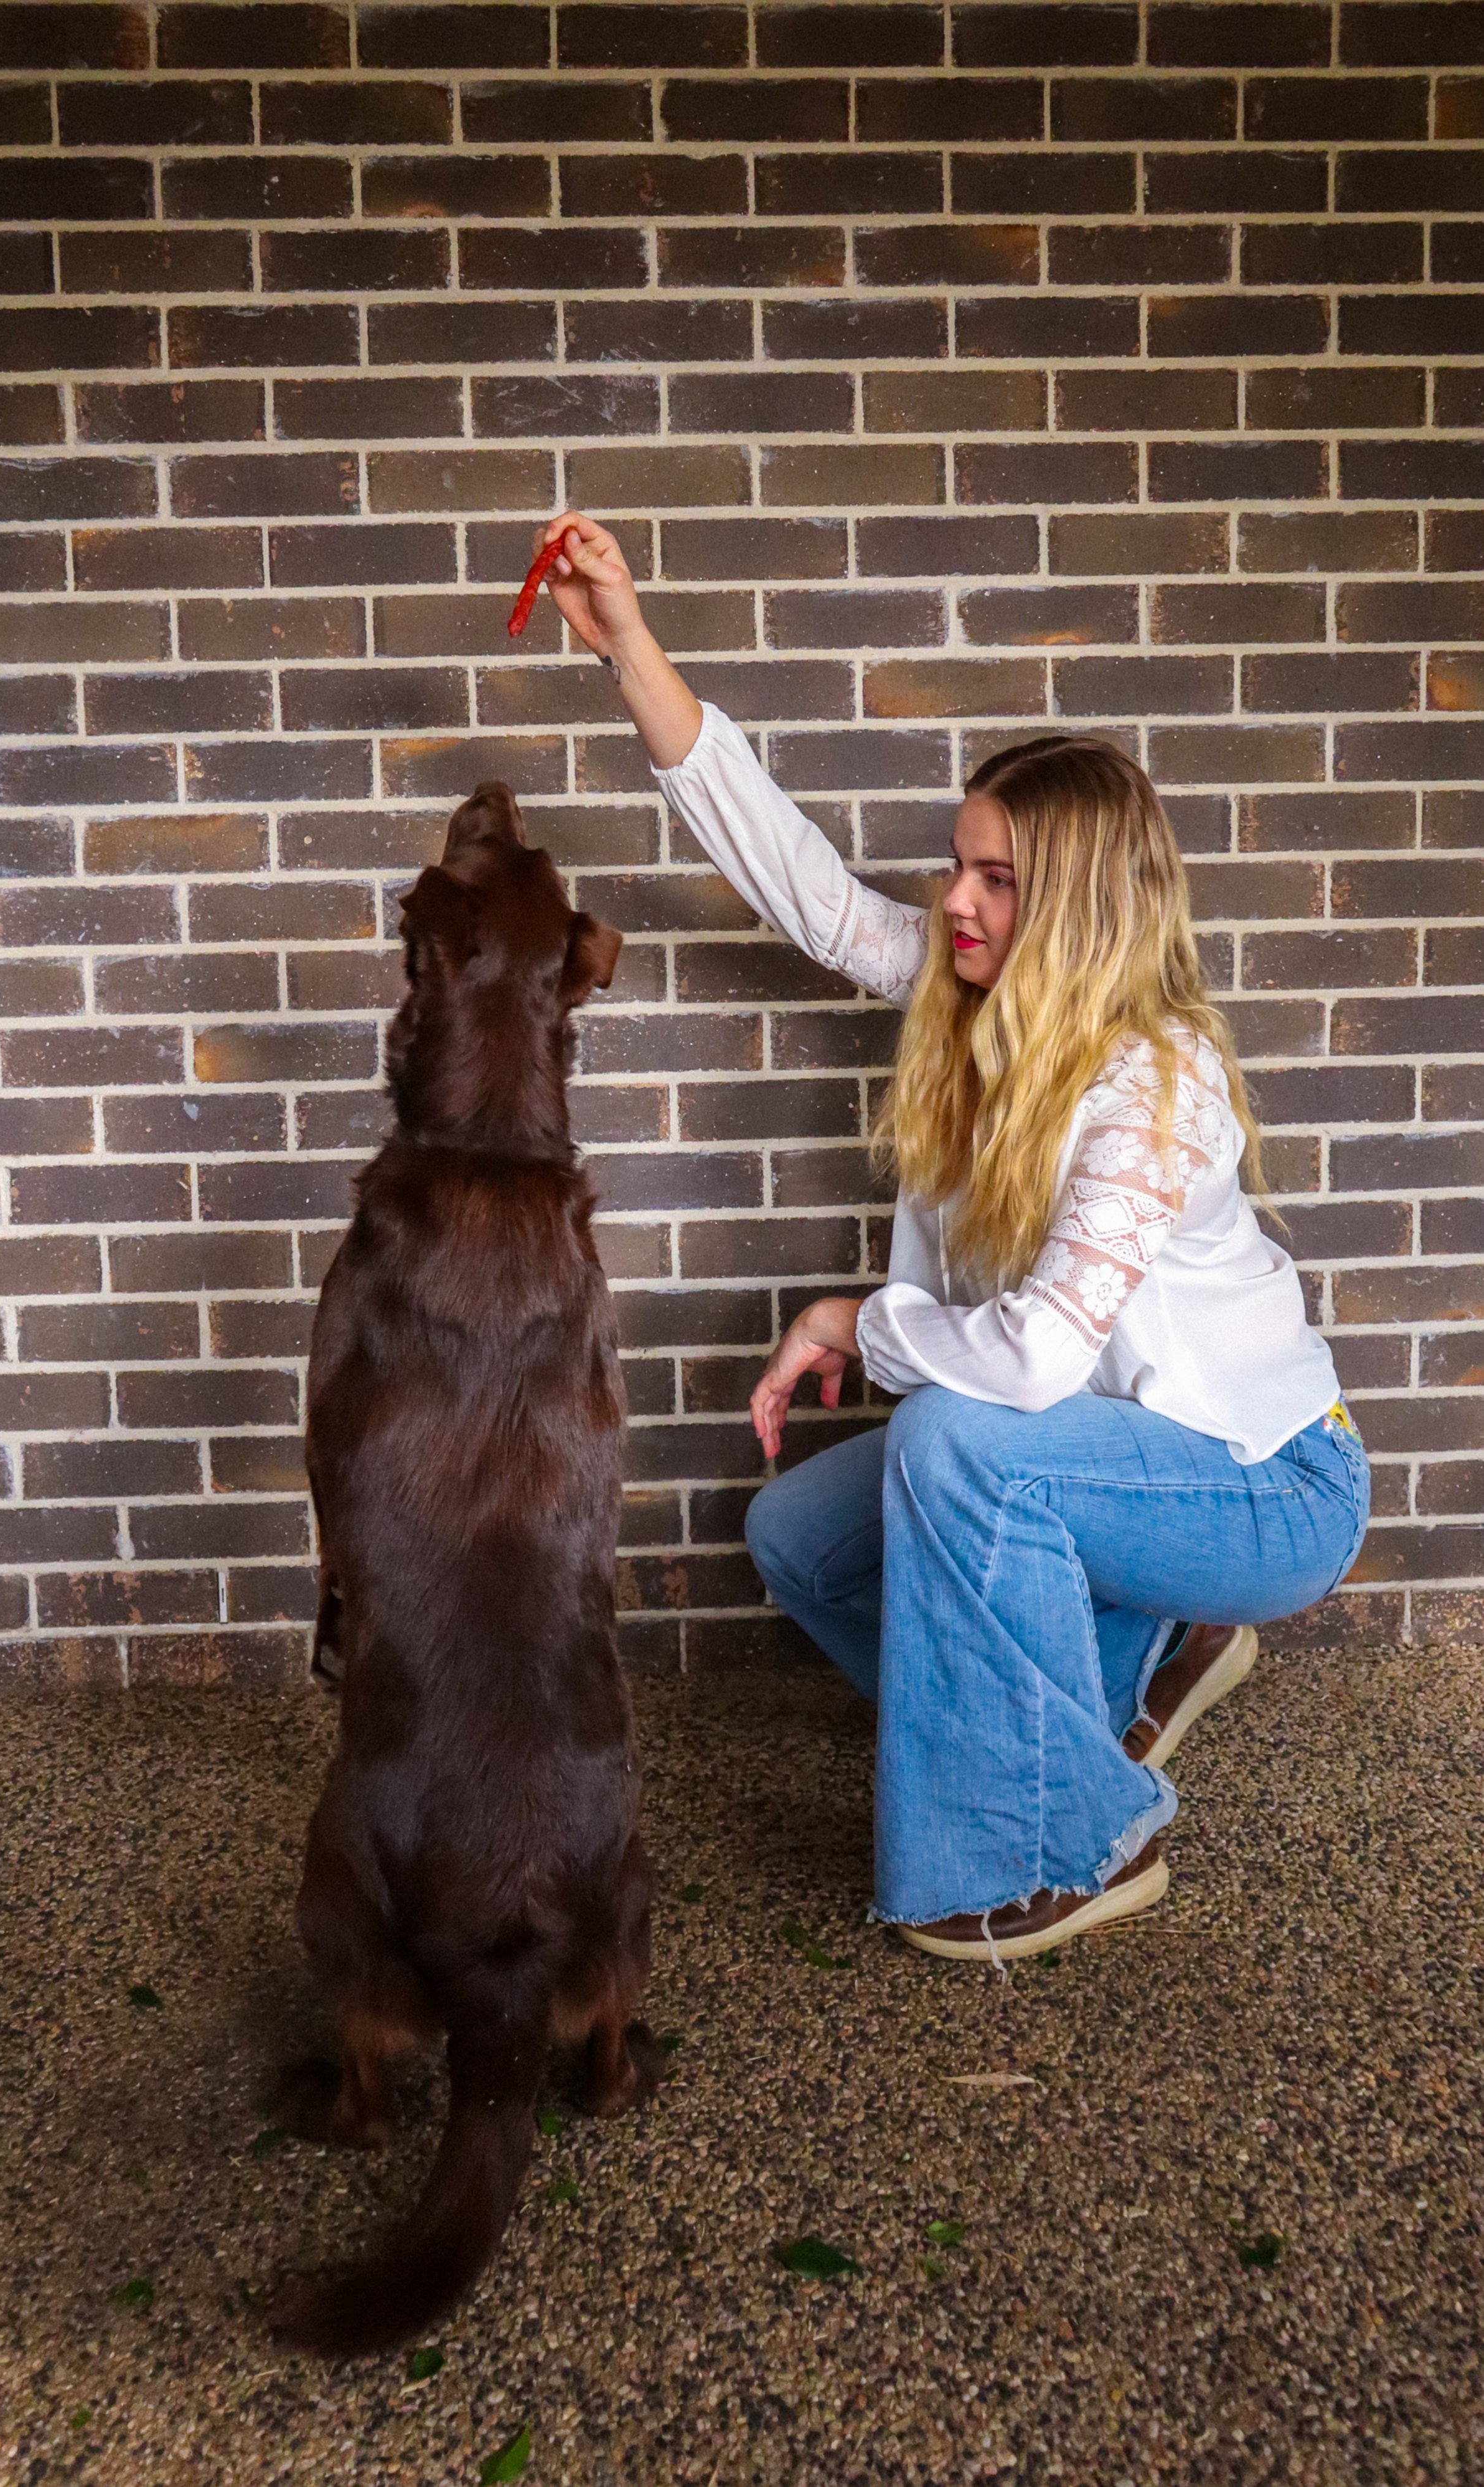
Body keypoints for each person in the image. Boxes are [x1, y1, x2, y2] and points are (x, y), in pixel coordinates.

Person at [532, 511, 1371, 1966]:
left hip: (1261, 1482)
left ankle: (1069, 1842)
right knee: (797, 1537)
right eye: (957, 864)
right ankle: (1108, 1704)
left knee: (954, 1450)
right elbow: (804, 889)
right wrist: (630, 649)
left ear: (1079, 905)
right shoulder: (971, 997)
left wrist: (853, 1319)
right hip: (1102, 1462)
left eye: (996, 879)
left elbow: (1038, 1358)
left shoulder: (1147, 1082)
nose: (954, 898)